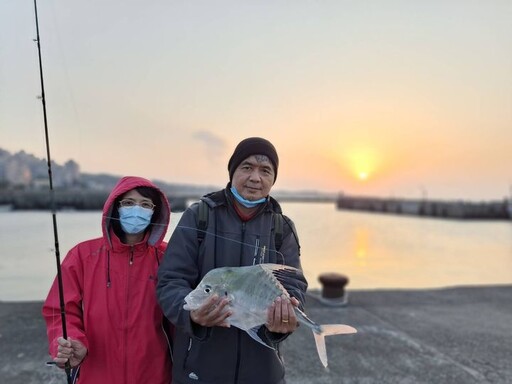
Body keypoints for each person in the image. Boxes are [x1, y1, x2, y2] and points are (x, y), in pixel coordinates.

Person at [157, 137, 308, 384]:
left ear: (273, 179)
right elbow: (170, 282)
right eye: (247, 167)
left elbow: (294, 287)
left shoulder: (282, 228)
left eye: (265, 170)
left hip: (263, 374)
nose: (255, 178)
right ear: (233, 171)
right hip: (199, 372)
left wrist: (285, 320)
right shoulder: (199, 216)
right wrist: (192, 317)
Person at [42, 176, 173, 384]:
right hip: (95, 374)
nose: (136, 210)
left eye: (145, 204)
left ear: (155, 212)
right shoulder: (82, 255)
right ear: (114, 207)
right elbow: (59, 309)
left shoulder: (169, 256)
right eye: (129, 203)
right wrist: (73, 341)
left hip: (155, 374)